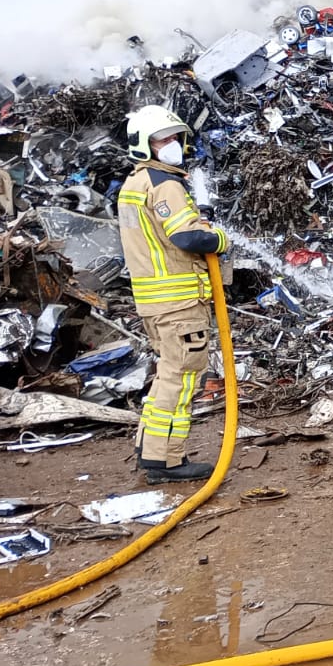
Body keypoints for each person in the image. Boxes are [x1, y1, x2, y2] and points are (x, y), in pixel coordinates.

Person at [118, 106, 229, 484]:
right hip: (179, 304)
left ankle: (148, 449)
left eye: (174, 137)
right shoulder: (163, 183)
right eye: (162, 139)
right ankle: (167, 460)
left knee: (166, 375)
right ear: (142, 145)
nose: (172, 145)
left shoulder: (133, 185)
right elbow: (187, 237)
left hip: (155, 303)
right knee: (181, 379)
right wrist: (220, 238)